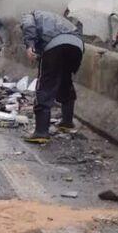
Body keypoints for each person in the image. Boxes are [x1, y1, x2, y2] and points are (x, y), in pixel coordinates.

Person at [20, 10, 84, 144]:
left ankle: (41, 132)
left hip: (55, 46)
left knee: (45, 85)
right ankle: (67, 122)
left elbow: (28, 26)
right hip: (77, 46)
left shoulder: (30, 14)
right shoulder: (58, 19)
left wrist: (29, 45)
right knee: (65, 80)